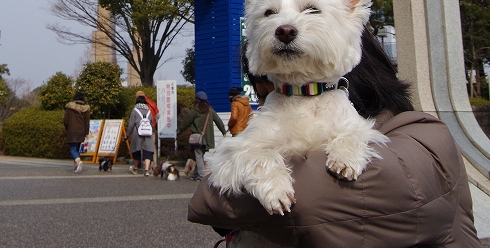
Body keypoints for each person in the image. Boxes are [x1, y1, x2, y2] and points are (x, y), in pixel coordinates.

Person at [188, 29, 482, 247]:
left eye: (285, 89)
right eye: (267, 96)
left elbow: (311, 202)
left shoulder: (422, 136)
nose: (267, 108)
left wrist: (242, 177)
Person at [178, 91, 227, 180]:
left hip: (197, 137)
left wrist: (179, 131)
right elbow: (218, 121)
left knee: (198, 155)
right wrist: (223, 131)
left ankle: (202, 175)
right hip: (207, 138)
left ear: (197, 100)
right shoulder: (210, 110)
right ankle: (196, 174)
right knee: (200, 155)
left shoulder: (195, 111)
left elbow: (186, 122)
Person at [126, 91, 156, 176]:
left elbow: (131, 124)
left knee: (136, 149)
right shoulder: (149, 110)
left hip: (137, 133)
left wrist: (127, 135)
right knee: (148, 150)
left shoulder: (135, 110)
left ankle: (135, 168)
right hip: (148, 132)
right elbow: (152, 121)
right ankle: (146, 170)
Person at [63, 91, 91, 174]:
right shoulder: (86, 109)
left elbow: (65, 120)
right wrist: (86, 132)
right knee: (77, 148)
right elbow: (87, 122)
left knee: (72, 148)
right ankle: (76, 167)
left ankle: (78, 160)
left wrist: (67, 128)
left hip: (72, 131)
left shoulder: (69, 108)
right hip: (81, 132)